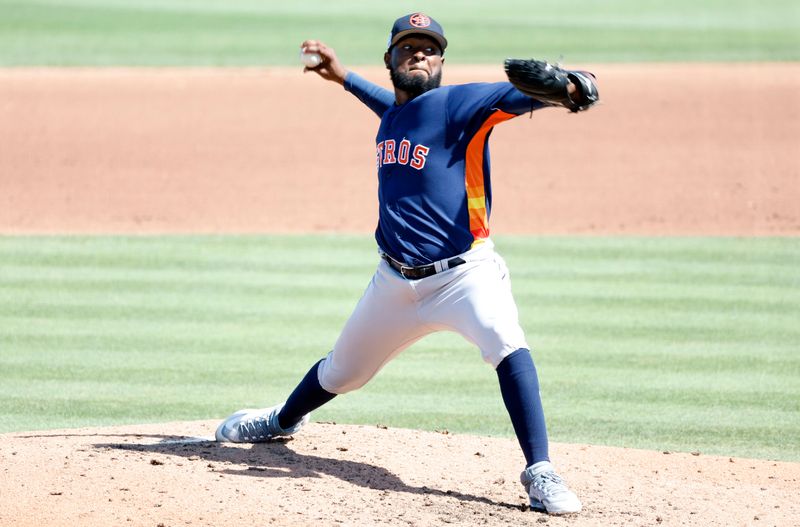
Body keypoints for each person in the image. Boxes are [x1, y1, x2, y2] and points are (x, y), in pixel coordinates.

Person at [216, 12, 598, 515]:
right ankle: (282, 421)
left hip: (466, 275)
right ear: (390, 59)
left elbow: (552, 96)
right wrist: (343, 77)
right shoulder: (396, 112)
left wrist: (576, 86)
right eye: (407, 47)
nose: (419, 54)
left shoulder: (462, 103)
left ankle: (541, 470)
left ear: (441, 60)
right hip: (394, 282)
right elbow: (391, 107)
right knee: (341, 373)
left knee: (506, 343)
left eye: (429, 48)